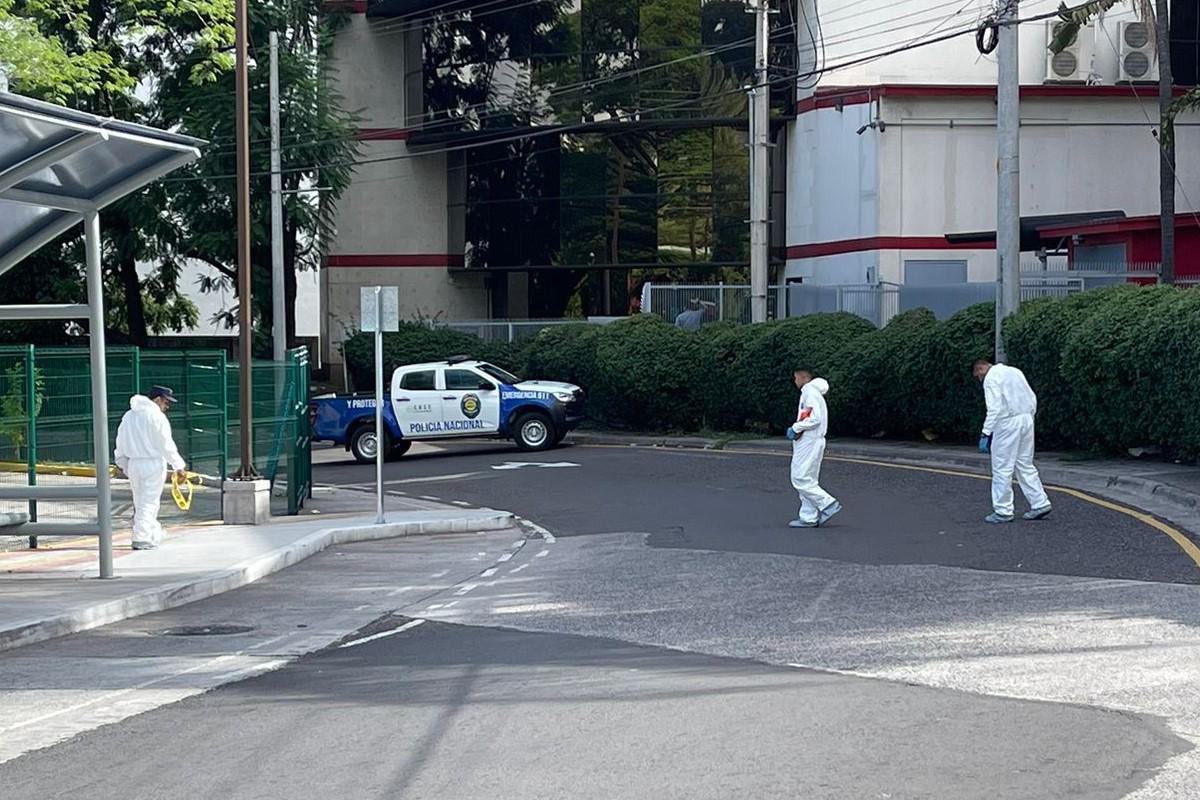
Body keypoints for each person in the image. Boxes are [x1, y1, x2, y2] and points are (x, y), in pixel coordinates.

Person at [973, 359, 1052, 524]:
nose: (979, 379)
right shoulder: (1015, 371)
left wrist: (985, 433)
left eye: (978, 375)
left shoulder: (991, 378)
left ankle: (1003, 510)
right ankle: (1040, 502)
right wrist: (1030, 416)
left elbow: (994, 408)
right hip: (1026, 419)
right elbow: (1032, 397)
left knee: (1002, 467)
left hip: (1006, 422)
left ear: (980, 367)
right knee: (1024, 463)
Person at [114, 386, 187, 550]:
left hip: (133, 463)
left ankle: (152, 532)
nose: (167, 406)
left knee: (139, 502)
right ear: (158, 399)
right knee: (149, 502)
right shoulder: (157, 417)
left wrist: (122, 463)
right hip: (152, 463)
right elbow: (166, 444)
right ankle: (141, 537)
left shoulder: (129, 416)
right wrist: (179, 466)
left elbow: (120, 442)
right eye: (166, 402)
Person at [786, 368, 842, 528]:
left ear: (803, 378)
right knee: (809, 478)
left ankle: (827, 503)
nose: (794, 381)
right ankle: (808, 516)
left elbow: (814, 418)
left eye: (796, 378)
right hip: (814, 440)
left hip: (809, 440)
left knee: (800, 477)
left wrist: (796, 427)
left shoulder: (809, 391)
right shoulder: (813, 393)